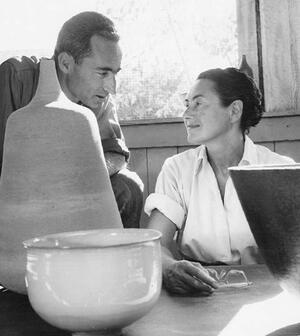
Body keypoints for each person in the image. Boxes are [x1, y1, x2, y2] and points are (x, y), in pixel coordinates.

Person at [144, 67, 295, 296]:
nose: (186, 113)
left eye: (198, 104)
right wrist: (170, 267)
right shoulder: (176, 169)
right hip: (198, 292)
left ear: (234, 111)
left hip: (267, 291)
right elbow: (155, 244)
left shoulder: (279, 168)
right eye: (187, 103)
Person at [0, 11, 143, 229]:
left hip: (72, 194)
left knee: (128, 186)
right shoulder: (15, 78)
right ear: (66, 63)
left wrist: (78, 179)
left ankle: (106, 261)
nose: (112, 87)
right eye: (103, 73)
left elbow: (115, 153)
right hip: (17, 199)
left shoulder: (99, 100)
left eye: (115, 74)